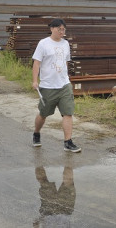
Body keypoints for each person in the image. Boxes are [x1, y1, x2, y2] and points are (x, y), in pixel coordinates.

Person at [31, 18, 81, 153]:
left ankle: (68, 142)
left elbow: (65, 62)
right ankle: (36, 133)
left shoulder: (65, 44)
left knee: (68, 113)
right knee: (43, 114)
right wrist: (35, 81)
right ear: (52, 29)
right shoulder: (43, 44)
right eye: (59, 29)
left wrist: (66, 77)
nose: (62, 31)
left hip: (64, 84)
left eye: (63, 29)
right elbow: (37, 63)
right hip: (48, 86)